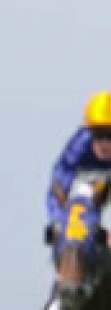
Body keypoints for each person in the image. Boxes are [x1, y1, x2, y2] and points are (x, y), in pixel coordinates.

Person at [45, 92, 111, 235]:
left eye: (110, 135)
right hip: (87, 186)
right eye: (98, 134)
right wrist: (58, 220)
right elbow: (59, 184)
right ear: (89, 131)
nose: (104, 143)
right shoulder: (79, 146)